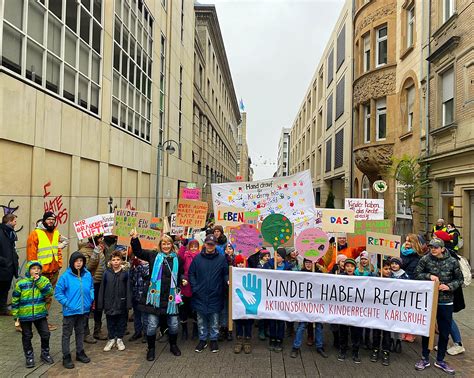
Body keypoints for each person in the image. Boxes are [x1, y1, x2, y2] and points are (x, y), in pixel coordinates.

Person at [130, 232, 185, 360]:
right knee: (152, 325)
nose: (166, 246)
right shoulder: (153, 256)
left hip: (171, 298)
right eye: (163, 243)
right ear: (160, 245)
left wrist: (183, 279)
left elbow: (180, 274)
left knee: (174, 324)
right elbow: (138, 251)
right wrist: (134, 238)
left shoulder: (178, 259)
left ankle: (173, 345)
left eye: (168, 243)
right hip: (154, 298)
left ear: (172, 245)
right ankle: (151, 348)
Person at [414, 238, 463, 375]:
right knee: (427, 330)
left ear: (442, 248)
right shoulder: (425, 259)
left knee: (444, 331)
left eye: (436, 247)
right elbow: (417, 274)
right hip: (429, 300)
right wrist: (429, 276)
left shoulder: (452, 261)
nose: (433, 249)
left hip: (446, 301)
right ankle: (424, 357)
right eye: (431, 247)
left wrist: (448, 286)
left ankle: (440, 359)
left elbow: (460, 279)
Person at [189, 234, 229, 354]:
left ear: (215, 245)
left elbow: (225, 273)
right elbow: (191, 274)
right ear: (205, 244)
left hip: (215, 294)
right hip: (200, 295)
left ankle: (213, 340)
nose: (210, 246)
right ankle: (202, 340)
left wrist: (227, 280)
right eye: (208, 244)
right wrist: (195, 287)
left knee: (214, 320)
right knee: (201, 320)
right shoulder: (197, 259)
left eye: (212, 244)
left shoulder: (221, 259)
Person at [54, 251, 94, 369]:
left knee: (80, 332)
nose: (79, 263)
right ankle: (66, 356)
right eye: (76, 261)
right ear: (72, 262)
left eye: (81, 261)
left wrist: (91, 298)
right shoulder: (65, 276)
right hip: (70, 311)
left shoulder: (87, 274)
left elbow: (91, 287)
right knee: (67, 334)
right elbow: (58, 292)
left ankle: (80, 352)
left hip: (83, 310)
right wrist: (67, 303)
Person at [11, 260, 54, 368]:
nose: (36, 271)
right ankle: (29, 357)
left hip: (40, 314)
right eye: (34, 268)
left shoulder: (43, 280)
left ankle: (45, 354)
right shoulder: (21, 283)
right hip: (25, 315)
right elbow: (15, 300)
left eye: (38, 269)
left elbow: (49, 292)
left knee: (45, 334)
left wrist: (38, 281)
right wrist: (16, 316)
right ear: (29, 270)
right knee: (27, 336)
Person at [27, 211, 64, 330]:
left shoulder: (56, 232)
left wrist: (59, 264)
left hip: (53, 271)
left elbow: (57, 250)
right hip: (41, 273)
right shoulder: (36, 234)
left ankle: (43, 322)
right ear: (44, 220)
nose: (51, 221)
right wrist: (34, 272)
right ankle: (22, 322)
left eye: (53, 219)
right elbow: (31, 254)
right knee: (34, 297)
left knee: (47, 298)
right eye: (49, 219)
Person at [290, 258, 328, 359]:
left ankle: (319, 346)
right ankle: (295, 347)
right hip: (305, 304)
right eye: (306, 262)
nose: (308, 264)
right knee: (302, 325)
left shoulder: (319, 272)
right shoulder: (301, 273)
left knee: (319, 326)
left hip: (317, 303)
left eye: (310, 262)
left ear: (314, 263)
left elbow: (329, 278)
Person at [97, 250, 132, 352]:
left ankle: (120, 339)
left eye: (118, 260)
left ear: (121, 261)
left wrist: (128, 303)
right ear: (110, 261)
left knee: (121, 322)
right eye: (113, 260)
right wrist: (100, 303)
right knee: (110, 322)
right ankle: (111, 339)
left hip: (121, 302)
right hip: (109, 302)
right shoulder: (106, 273)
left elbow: (128, 289)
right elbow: (102, 288)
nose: (116, 262)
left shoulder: (125, 273)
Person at [264, 247, 291, 352]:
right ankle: (272, 338)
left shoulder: (288, 267)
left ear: (283, 258)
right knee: (272, 319)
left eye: (279, 256)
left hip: (282, 297)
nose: (276, 257)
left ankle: (279, 339)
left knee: (280, 319)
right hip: (271, 296)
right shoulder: (268, 265)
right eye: (275, 254)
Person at [338, 258, 362, 363]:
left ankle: (355, 352)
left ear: (354, 268)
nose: (349, 268)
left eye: (352, 266)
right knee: (343, 331)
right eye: (347, 266)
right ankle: (343, 351)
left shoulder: (359, 280)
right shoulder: (339, 278)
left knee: (355, 332)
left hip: (355, 310)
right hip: (343, 310)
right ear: (344, 267)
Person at [370, 259, 392, 366]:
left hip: (388, 312)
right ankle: (375, 350)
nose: (388, 271)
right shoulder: (375, 279)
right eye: (386, 269)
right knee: (376, 333)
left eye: (390, 269)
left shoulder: (394, 280)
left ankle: (386, 352)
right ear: (380, 269)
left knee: (387, 333)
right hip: (377, 311)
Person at [178, 239, 200, 340]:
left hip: (196, 285)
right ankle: (184, 330)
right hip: (185, 285)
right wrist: (183, 244)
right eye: (192, 246)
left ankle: (195, 330)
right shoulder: (185, 255)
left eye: (196, 246)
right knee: (183, 309)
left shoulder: (201, 256)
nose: (194, 248)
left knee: (195, 309)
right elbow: (179, 257)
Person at [233, 254, 254, 354]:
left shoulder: (249, 273)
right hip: (237, 304)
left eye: (242, 262)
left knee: (248, 323)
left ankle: (247, 340)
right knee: (238, 323)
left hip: (248, 304)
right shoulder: (233, 273)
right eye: (239, 263)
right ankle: (239, 340)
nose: (241, 265)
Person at [0, 213, 19, 315]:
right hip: (3, 266)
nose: (16, 223)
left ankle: (2, 309)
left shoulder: (11, 233)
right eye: (14, 221)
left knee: (5, 289)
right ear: (9, 221)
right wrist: (4, 261)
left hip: (9, 267)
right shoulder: (1, 232)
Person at [129, 254, 149, 343]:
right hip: (135, 293)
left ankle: (146, 333)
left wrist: (140, 265)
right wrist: (132, 267)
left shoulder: (148, 265)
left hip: (144, 294)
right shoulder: (134, 264)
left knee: (145, 316)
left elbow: (146, 275)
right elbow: (131, 278)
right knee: (137, 315)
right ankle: (137, 332)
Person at [219, 243, 235, 341]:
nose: (229, 250)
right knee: (224, 310)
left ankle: (230, 330)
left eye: (231, 248)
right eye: (227, 248)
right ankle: (223, 329)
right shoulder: (222, 259)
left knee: (231, 310)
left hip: (234, 289)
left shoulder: (237, 259)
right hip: (224, 288)